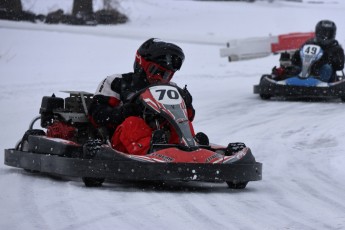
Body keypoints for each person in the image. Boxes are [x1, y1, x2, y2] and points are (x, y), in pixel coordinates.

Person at [88, 38, 208, 155]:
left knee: (180, 123)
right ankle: (152, 153)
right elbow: (96, 115)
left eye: (166, 75)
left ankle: (193, 152)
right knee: (133, 122)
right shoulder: (117, 82)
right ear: (142, 64)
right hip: (120, 145)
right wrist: (125, 112)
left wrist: (186, 102)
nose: (161, 78)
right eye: (157, 71)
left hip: (162, 142)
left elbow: (188, 117)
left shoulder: (171, 89)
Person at [272, 20, 344, 82]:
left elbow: (340, 66)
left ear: (333, 34)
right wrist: (291, 59)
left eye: (328, 34)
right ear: (317, 32)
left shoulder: (336, 48)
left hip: (323, 73)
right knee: (295, 69)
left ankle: (318, 84)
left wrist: (328, 59)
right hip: (305, 71)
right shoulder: (309, 43)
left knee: (327, 68)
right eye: (323, 33)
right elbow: (296, 59)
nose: (325, 36)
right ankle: (293, 81)